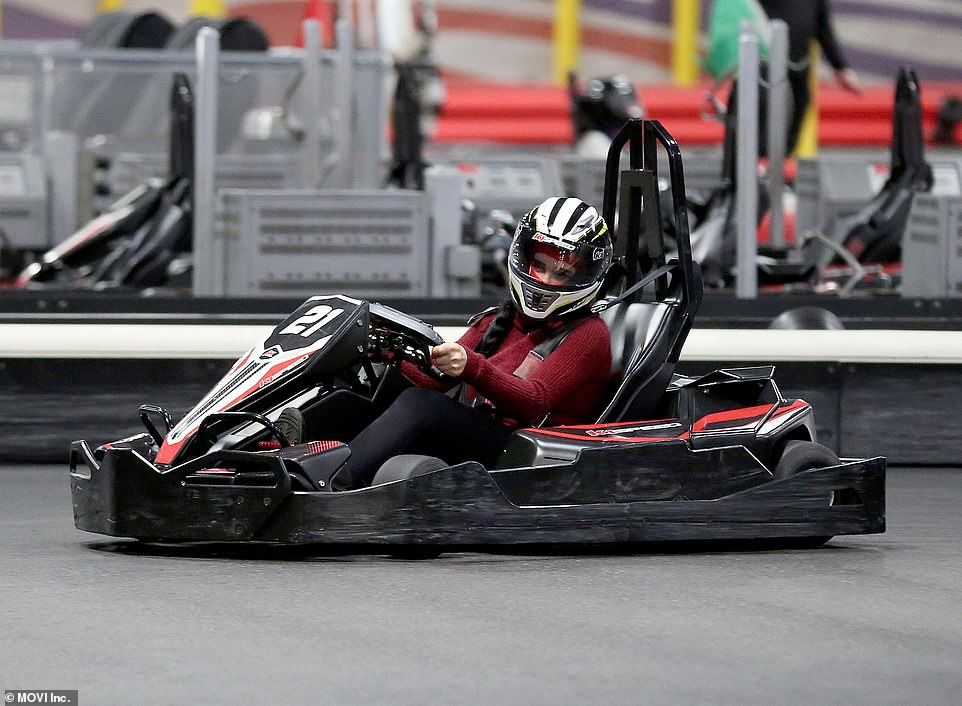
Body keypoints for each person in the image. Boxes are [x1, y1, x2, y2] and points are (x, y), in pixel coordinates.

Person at [277, 196, 614, 490]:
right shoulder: (499, 319)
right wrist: (388, 348)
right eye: (539, 266)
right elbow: (436, 377)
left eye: (561, 273)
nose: (545, 280)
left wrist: (472, 365)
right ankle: (279, 454)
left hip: (530, 452)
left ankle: (333, 481)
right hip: (484, 436)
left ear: (585, 277)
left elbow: (534, 401)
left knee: (420, 406)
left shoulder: (588, 334)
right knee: (366, 388)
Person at [757, 0, 860, 153]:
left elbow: (822, 26)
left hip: (800, 65)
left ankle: (784, 164)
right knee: (765, 123)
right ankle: (758, 165)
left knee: (795, 120)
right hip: (765, 67)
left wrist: (840, 67)